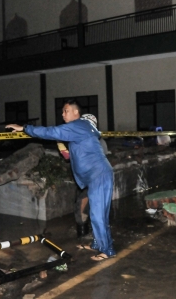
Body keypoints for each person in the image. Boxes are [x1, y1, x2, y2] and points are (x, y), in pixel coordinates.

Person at [6, 102, 116, 261]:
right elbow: (76, 153)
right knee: (97, 213)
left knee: (98, 214)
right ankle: (98, 245)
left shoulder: (79, 125)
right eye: (63, 111)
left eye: (66, 111)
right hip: (97, 175)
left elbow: (52, 131)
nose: (63, 114)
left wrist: (25, 128)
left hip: (98, 175)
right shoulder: (82, 129)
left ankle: (107, 250)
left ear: (76, 112)